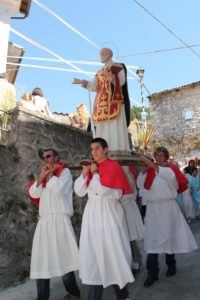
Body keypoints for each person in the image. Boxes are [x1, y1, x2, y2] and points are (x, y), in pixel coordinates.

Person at [74, 138, 134, 300]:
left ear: (105, 149)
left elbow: (101, 190)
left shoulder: (112, 165)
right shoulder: (93, 168)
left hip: (109, 212)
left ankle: (122, 294)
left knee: (112, 252)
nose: (94, 152)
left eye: (97, 148)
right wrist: (85, 174)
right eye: (92, 149)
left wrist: (94, 173)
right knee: (94, 254)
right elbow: (79, 191)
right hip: (92, 214)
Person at [137, 147, 198, 287]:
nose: (158, 158)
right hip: (153, 210)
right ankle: (152, 273)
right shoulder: (150, 170)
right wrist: (144, 172)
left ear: (166, 157)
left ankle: (171, 265)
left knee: (169, 238)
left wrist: (151, 165)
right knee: (152, 242)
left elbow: (169, 178)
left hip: (168, 208)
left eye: (160, 155)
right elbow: (140, 185)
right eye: (156, 155)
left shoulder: (171, 169)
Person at [28, 148, 80, 300]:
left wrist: (50, 174)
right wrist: (42, 176)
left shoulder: (65, 173)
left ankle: (74, 294)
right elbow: (33, 193)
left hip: (60, 221)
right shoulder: (44, 176)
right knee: (41, 262)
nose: (46, 160)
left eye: (48, 156)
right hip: (44, 223)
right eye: (43, 158)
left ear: (56, 157)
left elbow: (58, 189)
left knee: (63, 260)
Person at [72, 48, 131, 153]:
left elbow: (121, 82)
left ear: (110, 54)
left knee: (114, 127)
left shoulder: (118, 66)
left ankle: (116, 151)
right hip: (101, 104)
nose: (101, 55)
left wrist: (112, 77)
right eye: (100, 54)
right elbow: (94, 86)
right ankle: (102, 153)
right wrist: (83, 82)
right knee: (102, 129)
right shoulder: (99, 72)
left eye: (103, 53)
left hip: (113, 102)